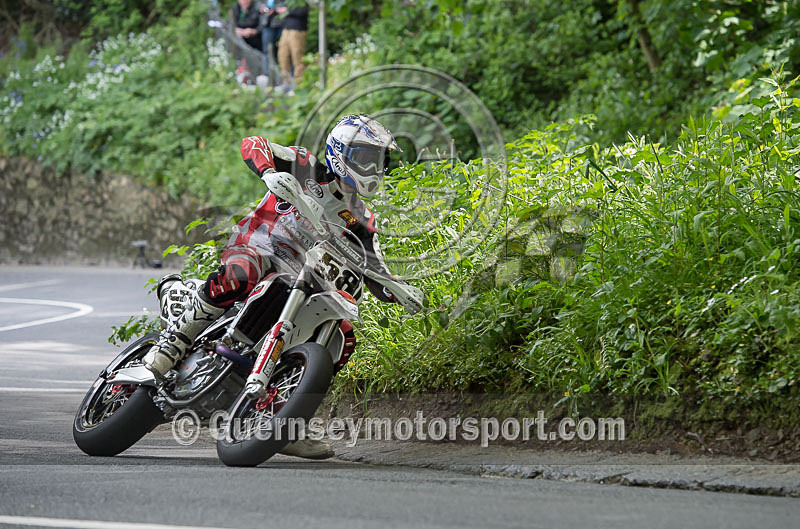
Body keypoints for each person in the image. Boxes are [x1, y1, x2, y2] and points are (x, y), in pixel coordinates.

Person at [143, 115, 423, 459]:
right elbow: (253, 143)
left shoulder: (362, 219)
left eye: (379, 161)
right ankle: (177, 339)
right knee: (242, 274)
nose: (374, 168)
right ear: (342, 152)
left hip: (303, 278)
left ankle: (286, 418)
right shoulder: (305, 165)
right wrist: (268, 171)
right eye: (366, 158)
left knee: (343, 334)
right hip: (258, 247)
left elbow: (374, 267)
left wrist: (399, 289)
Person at [277, 0, 309, 87]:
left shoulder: (301, 2)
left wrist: (287, 10)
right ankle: (286, 83)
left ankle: (299, 84)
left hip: (297, 30)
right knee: (282, 56)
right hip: (286, 30)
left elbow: (303, 11)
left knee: (298, 57)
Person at [259, 0, 285, 80]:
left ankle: (284, 75)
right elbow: (258, 4)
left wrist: (275, 9)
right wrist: (263, 8)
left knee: (283, 50)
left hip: (281, 23)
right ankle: (267, 75)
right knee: (266, 50)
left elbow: (287, 6)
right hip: (267, 24)